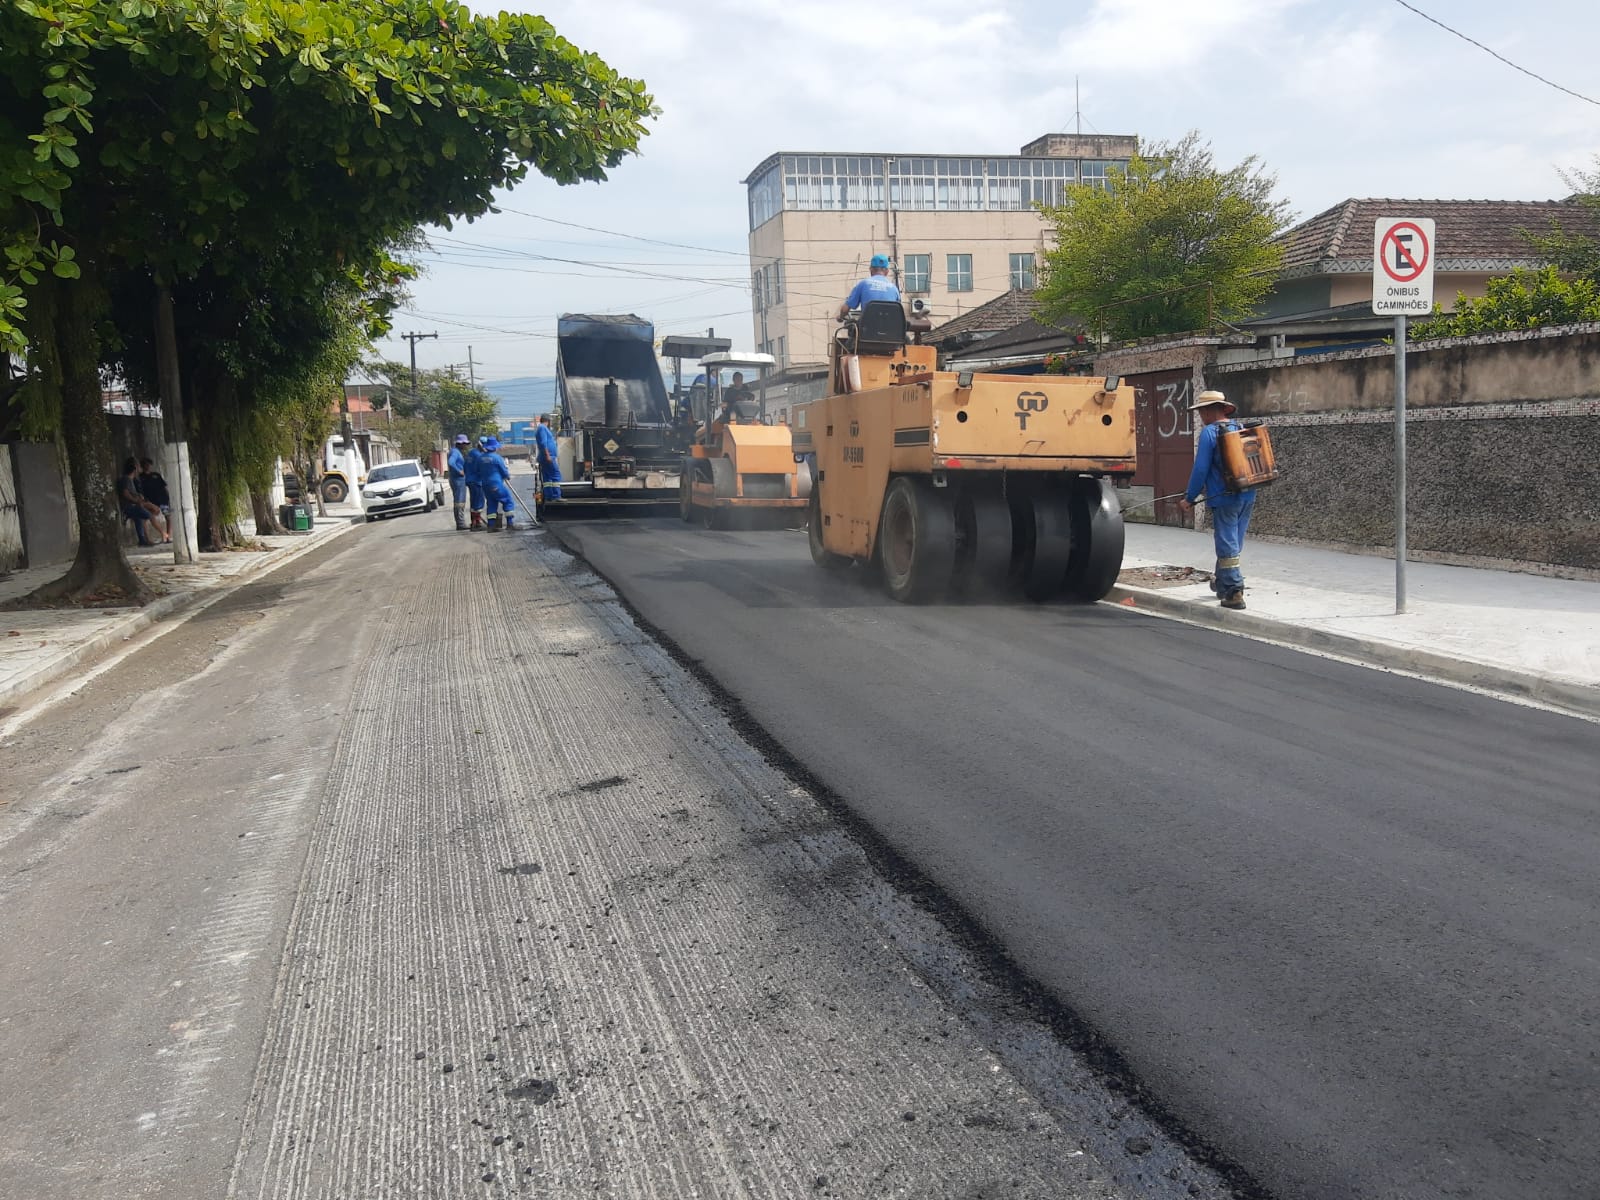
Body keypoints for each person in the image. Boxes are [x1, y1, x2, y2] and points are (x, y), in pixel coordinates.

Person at [1179, 390, 1256, 610]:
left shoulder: (1210, 433)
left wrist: (1190, 497)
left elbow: (1201, 469)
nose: (1201, 416)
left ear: (1209, 410)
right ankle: (1222, 583)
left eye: (1202, 411)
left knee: (1227, 544)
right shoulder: (1239, 429)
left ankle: (1234, 591)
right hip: (1248, 494)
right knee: (1234, 541)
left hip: (1225, 498)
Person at [118, 457, 168, 545]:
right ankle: (163, 534)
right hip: (130, 506)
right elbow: (125, 493)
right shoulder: (126, 479)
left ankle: (142, 540)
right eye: (138, 466)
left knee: (141, 518)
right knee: (149, 515)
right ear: (135, 468)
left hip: (136, 504)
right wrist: (136, 500)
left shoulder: (133, 480)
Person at [837, 252, 900, 319]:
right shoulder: (894, 289)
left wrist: (840, 317)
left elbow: (845, 310)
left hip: (867, 328)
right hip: (890, 328)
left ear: (871, 269)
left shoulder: (863, 284)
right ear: (887, 271)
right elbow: (898, 312)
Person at [480, 437, 516, 531]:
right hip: (496, 484)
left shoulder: (480, 458)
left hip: (485, 485)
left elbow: (477, 470)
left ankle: (491, 526)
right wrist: (507, 476)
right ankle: (510, 523)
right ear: (495, 447)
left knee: (491, 503)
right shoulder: (497, 458)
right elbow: (503, 470)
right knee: (507, 501)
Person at [534, 414, 562, 503]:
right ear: (548, 421)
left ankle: (549, 496)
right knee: (555, 475)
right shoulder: (542, 428)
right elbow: (543, 443)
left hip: (545, 457)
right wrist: (548, 455)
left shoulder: (541, 428)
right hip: (548, 457)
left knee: (547, 478)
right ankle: (556, 496)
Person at [464, 435, 489, 530]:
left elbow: (465, 466)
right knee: (479, 502)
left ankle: (473, 522)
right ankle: (477, 523)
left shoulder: (471, 453)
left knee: (473, 502)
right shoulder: (479, 456)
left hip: (470, 480)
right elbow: (481, 469)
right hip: (477, 481)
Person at [138, 457, 171, 528]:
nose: (148, 466)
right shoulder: (140, 477)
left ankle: (168, 537)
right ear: (143, 466)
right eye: (146, 464)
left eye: (149, 464)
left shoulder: (156, 475)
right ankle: (147, 537)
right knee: (147, 517)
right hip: (151, 501)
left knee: (168, 517)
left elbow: (164, 486)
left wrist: (167, 497)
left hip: (162, 499)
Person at [447, 433, 470, 530]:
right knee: (459, 502)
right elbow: (451, 463)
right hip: (458, 479)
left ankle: (460, 522)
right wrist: (459, 470)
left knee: (460, 501)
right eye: (464, 443)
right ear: (460, 443)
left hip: (458, 479)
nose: (465, 446)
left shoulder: (456, 451)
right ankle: (460, 523)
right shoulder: (455, 452)